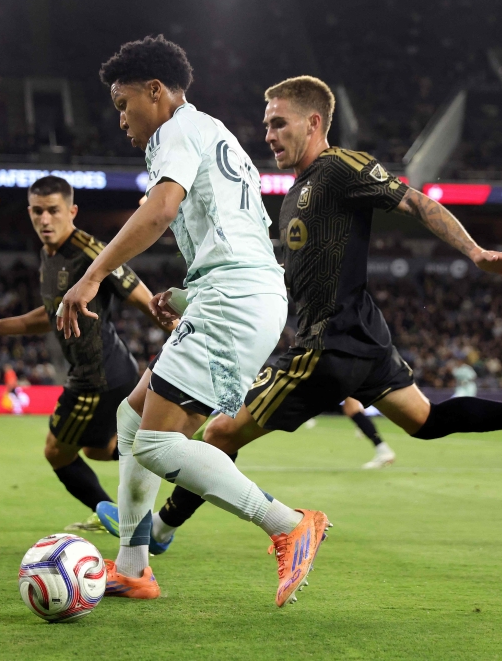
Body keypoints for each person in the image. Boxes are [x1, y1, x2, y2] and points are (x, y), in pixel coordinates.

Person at [98, 76, 502, 553]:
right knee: (425, 421)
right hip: (367, 340)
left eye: (280, 123)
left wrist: (474, 252)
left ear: (314, 123)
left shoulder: (339, 167)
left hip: (326, 346)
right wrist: (190, 296)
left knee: (218, 433)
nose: (269, 134)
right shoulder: (295, 194)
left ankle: (162, 531)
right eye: (267, 124)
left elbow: (414, 202)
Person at [57, 36, 330, 608]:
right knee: (132, 423)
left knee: (157, 442)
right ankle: (133, 568)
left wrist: (89, 277)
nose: (122, 119)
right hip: (233, 293)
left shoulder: (176, 129)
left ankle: (287, 523)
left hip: (235, 299)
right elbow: (233, 232)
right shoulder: (214, 131)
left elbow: (160, 209)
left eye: (123, 103)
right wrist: (188, 294)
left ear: (155, 91)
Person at [0, 175, 171, 532]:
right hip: (103, 370)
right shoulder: (49, 256)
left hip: (97, 375)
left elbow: (142, 297)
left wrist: (179, 333)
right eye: (38, 211)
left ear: (71, 211)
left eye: (53, 211)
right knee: (96, 448)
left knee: (57, 452)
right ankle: (170, 444)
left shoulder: (90, 250)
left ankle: (121, 511)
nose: (45, 220)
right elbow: (50, 316)